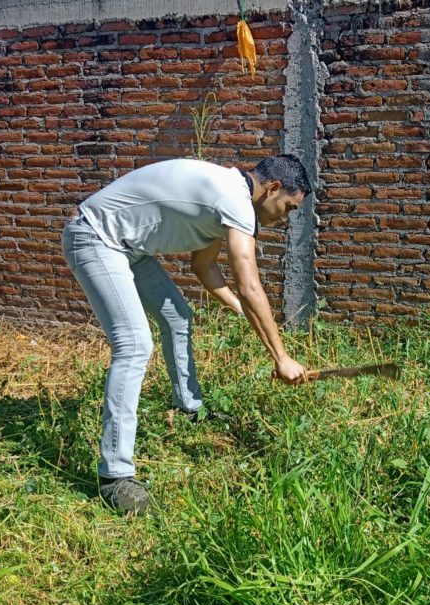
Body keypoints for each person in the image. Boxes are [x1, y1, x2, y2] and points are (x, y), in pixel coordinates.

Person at [61, 154, 312, 516]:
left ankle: (189, 407)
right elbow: (248, 283)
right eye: (287, 208)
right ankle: (115, 475)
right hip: (95, 237)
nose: (283, 218)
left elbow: (203, 265)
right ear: (272, 188)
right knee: (134, 345)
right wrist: (281, 357)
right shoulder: (235, 199)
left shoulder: (228, 194)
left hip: (129, 248)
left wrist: (241, 311)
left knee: (178, 317)